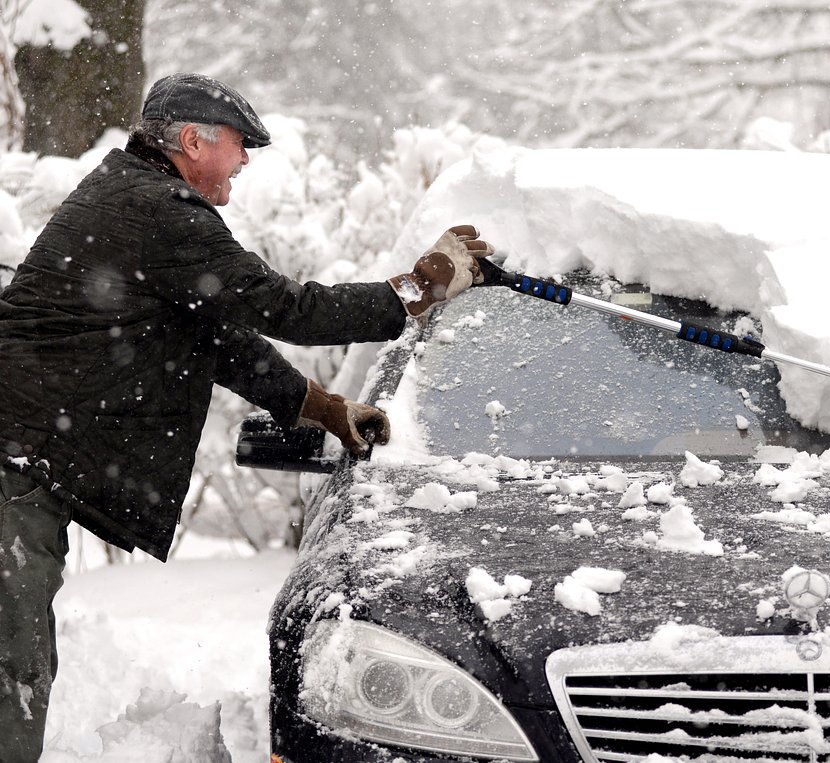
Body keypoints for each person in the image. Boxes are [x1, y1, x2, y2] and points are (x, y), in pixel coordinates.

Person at [0, 72, 493, 761]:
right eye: (240, 142)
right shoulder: (159, 213)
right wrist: (420, 285)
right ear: (194, 141)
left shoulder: (135, 200)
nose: (248, 158)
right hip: (13, 473)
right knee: (11, 671)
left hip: (23, 465)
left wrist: (320, 407)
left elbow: (215, 339)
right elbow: (291, 309)